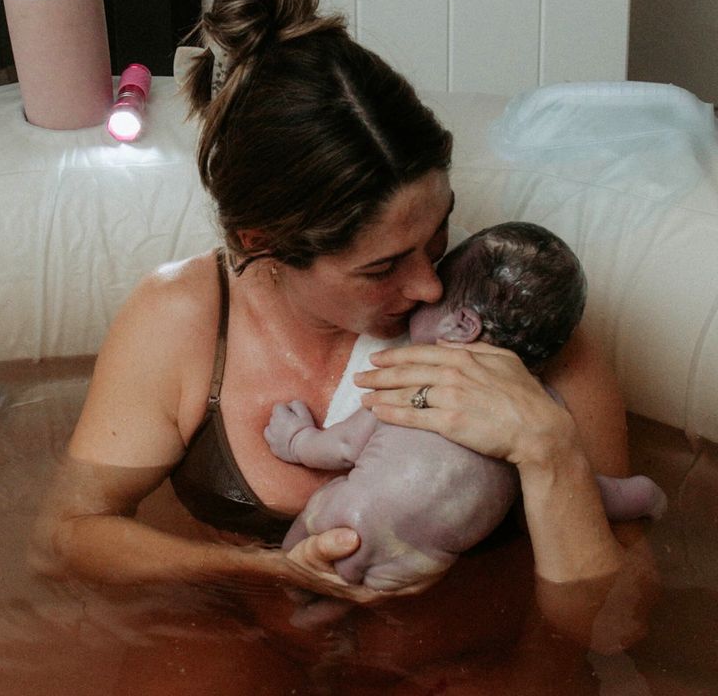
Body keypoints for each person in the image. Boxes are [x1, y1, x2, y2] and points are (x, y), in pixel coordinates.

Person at [30, 0, 658, 694]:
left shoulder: (523, 330)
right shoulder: (184, 322)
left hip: (469, 664)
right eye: (381, 267)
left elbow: (616, 625)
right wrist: (263, 569)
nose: (428, 285)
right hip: (255, 641)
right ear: (259, 240)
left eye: (440, 229)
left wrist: (547, 452)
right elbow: (67, 537)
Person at [264, 222, 665, 626]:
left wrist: (298, 440)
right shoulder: (541, 409)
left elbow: (346, 446)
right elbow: (583, 495)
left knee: (296, 571)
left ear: (461, 326)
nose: (426, 292)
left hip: (342, 514)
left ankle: (295, 608)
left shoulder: (414, 373)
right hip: (421, 563)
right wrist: (642, 495)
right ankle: (321, 616)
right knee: (363, 593)